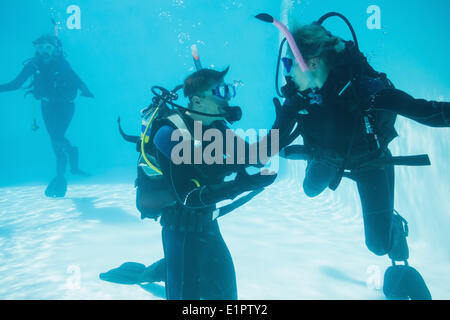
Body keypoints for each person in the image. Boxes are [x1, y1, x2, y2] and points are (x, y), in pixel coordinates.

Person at [272, 19, 449, 299]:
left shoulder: (364, 90)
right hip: (328, 159)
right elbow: (269, 146)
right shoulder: (299, 100)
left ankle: (394, 229)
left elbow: (424, 111)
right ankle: (327, 166)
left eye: (289, 63)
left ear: (312, 63)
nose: (287, 73)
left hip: (370, 161)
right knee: (310, 188)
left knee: (378, 246)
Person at [126, 68, 282, 300]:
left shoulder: (218, 128)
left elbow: (256, 156)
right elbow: (187, 196)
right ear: (197, 100)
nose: (227, 97)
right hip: (179, 230)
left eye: (230, 90)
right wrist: (239, 185)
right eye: (221, 91)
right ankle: (154, 273)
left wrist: (286, 117)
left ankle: (162, 270)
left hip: (209, 225)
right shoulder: (167, 133)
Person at [0, 34, 93, 197]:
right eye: (40, 47)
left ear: (55, 49)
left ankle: (72, 154)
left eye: (48, 47)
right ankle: (61, 176)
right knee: (55, 141)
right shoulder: (33, 65)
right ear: (36, 49)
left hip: (66, 106)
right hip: (47, 106)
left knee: (57, 137)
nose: (44, 51)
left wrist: (86, 91)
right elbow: (15, 84)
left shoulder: (62, 64)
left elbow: (76, 79)